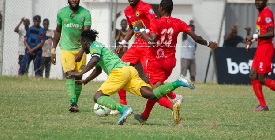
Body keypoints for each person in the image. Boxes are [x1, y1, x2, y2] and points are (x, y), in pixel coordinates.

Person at [67, 29, 195, 125]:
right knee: (151, 94)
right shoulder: (99, 47)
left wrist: (80, 73)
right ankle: (178, 82)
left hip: (119, 72)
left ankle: (123, 109)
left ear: (84, 42)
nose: (82, 47)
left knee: (98, 97)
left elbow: (95, 60)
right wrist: (86, 80)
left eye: (81, 44)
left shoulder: (94, 46)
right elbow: (98, 68)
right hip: (129, 71)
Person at [133, 0, 218, 124]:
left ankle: (172, 105)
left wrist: (141, 29)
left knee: (155, 92)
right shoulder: (179, 22)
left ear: (160, 9)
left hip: (156, 61)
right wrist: (208, 43)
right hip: (169, 62)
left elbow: (151, 42)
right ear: (171, 10)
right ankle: (145, 116)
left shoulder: (156, 23)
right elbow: (196, 38)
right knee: (157, 89)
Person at [115, 0, 158, 108]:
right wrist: (123, 42)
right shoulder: (127, 10)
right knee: (119, 70)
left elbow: (155, 22)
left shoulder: (146, 7)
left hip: (148, 48)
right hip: (136, 47)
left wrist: (152, 38)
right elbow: (131, 28)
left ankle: (173, 97)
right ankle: (123, 105)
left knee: (151, 79)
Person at [51, 0, 92, 112]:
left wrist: (81, 51)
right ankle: (73, 103)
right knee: (69, 74)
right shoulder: (61, 13)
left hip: (81, 48)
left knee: (79, 76)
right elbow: (57, 32)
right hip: (66, 49)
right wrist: (53, 50)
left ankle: (76, 102)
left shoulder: (85, 13)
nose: (74, 0)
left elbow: (86, 34)